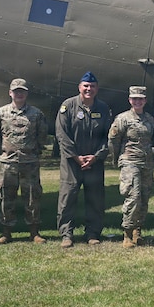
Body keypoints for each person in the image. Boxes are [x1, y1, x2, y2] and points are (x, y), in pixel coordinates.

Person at [55, 71, 112, 248]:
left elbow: (108, 137)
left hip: (94, 163)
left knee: (95, 199)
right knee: (68, 198)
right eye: (86, 86)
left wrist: (96, 157)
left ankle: (92, 233)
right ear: (79, 87)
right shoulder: (68, 106)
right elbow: (62, 134)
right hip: (72, 162)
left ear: (97, 89)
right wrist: (76, 156)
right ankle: (66, 234)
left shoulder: (103, 109)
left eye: (92, 86)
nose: (89, 89)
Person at [0, 78, 49, 245]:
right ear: (10, 93)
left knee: (32, 198)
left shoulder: (36, 114)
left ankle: (34, 232)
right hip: (7, 163)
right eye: (16, 91)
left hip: (29, 162)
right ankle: (6, 233)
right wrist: (3, 150)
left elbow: (42, 136)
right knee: (6, 198)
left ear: (26, 93)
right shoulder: (0, 113)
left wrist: (32, 151)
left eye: (22, 91)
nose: (19, 93)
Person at [108, 86, 154, 248]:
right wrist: (116, 159)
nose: (137, 101)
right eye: (134, 99)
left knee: (143, 198)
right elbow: (113, 140)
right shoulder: (123, 119)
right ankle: (127, 233)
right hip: (130, 162)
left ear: (145, 101)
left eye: (140, 99)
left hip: (147, 163)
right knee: (133, 196)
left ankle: (138, 231)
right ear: (129, 100)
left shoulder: (150, 119)